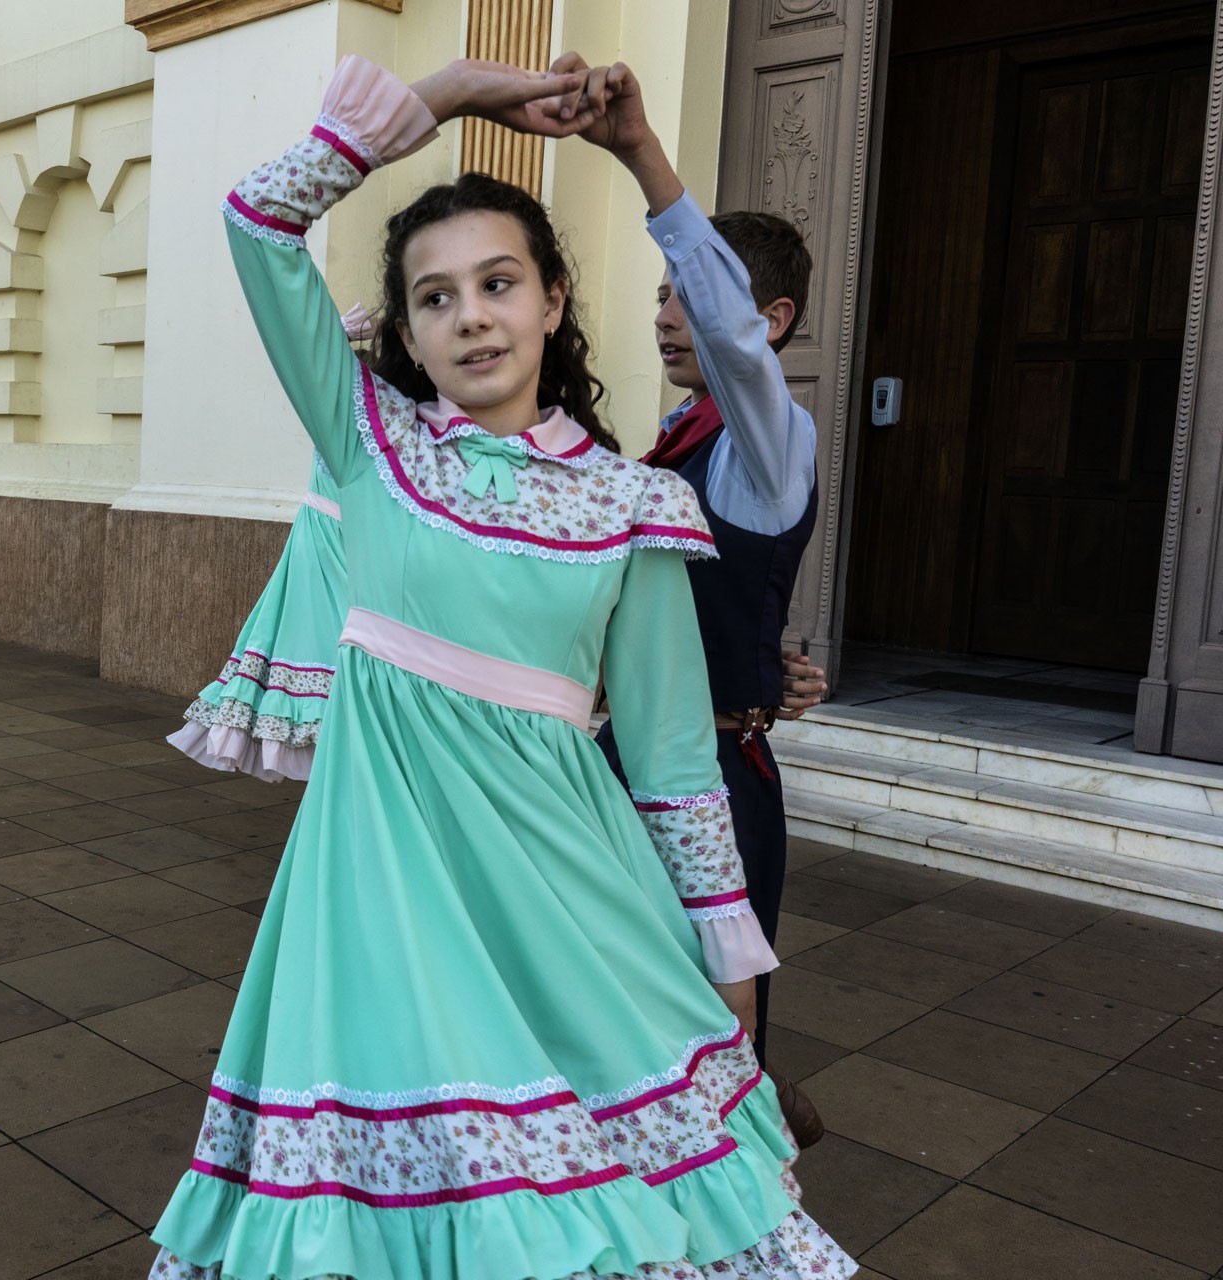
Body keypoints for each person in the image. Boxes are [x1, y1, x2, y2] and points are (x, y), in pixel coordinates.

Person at [146, 53, 853, 1280]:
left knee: (592, 1221)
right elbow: (256, 220)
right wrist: (457, 92)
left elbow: (680, 763)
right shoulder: (368, 442)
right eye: (434, 296)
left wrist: (728, 961)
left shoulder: (634, 504)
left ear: (552, 298)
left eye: (498, 282)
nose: (470, 314)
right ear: (407, 327)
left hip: (577, 907)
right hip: (382, 904)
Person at [568, 54, 824, 1141]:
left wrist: (640, 154)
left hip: (713, 773)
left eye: (690, 295)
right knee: (618, 1015)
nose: (670, 316)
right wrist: (770, 650)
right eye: (666, 294)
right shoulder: (683, 438)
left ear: (770, 319)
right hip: (635, 754)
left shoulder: (770, 441)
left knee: (706, 1042)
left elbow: (728, 345)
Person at [168, 307, 371, 782]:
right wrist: (330, 336)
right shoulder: (340, 417)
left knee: (349, 681)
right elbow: (305, 372)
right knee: (329, 681)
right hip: (325, 550)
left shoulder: (405, 427)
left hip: (357, 553)